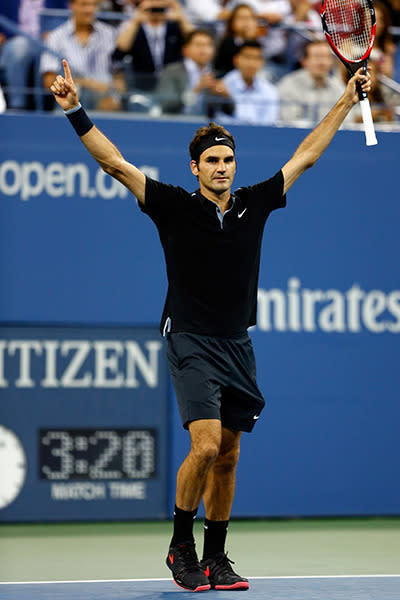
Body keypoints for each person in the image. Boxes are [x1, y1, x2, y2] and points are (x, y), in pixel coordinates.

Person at [49, 57, 371, 593]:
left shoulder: (254, 204)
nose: (223, 167)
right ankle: (182, 547)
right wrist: (75, 110)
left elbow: (307, 155)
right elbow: (115, 164)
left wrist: (345, 99)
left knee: (228, 455)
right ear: (194, 168)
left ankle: (217, 557)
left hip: (236, 343)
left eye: (228, 160)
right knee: (203, 446)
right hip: (190, 338)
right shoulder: (173, 206)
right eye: (212, 161)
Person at [40, 0, 122, 111]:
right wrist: (88, 84)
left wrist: (116, 93)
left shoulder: (110, 34)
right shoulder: (55, 37)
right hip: (70, 101)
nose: (89, 10)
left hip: (105, 100)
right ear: (71, 6)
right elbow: (49, 81)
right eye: (84, 4)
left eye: (93, 5)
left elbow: (119, 74)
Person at [114, 0, 193, 92]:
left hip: (171, 87)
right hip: (142, 85)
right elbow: (121, 49)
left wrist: (181, 17)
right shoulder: (136, 28)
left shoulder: (174, 26)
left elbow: (193, 40)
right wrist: (136, 20)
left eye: (160, 7)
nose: (156, 9)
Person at [156, 29, 232, 116]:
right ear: (185, 50)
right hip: (177, 123)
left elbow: (230, 111)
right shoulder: (172, 71)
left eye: (208, 45)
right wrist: (196, 90)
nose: (204, 49)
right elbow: (166, 106)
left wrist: (226, 96)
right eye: (198, 45)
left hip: (207, 126)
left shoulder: (217, 74)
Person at [278, 40, 345, 123]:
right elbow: (290, 121)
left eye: (326, 57)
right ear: (304, 61)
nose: (322, 62)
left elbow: (346, 121)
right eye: (317, 57)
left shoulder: (338, 87)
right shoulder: (289, 85)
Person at [215, 40, 279, 125]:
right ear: (236, 60)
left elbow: (269, 124)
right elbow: (220, 121)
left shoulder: (270, 91)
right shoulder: (222, 86)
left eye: (257, 58)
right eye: (247, 57)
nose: (251, 63)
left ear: (262, 62)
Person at [214, 3, 260, 76]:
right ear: (232, 23)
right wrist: (248, 40)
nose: (246, 22)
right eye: (241, 18)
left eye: (249, 18)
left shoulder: (259, 41)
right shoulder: (227, 42)